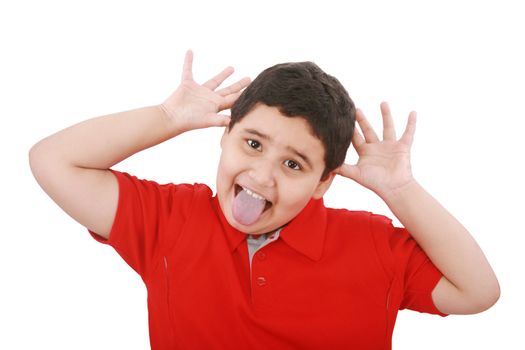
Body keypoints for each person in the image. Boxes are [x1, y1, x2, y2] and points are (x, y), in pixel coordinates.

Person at [29, 50, 500, 350]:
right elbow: (53, 161)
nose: (261, 175)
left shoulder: (373, 246)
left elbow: (479, 291)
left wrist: (401, 192)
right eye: (252, 144)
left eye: (293, 164)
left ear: (323, 182)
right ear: (225, 135)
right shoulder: (170, 220)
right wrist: (166, 117)